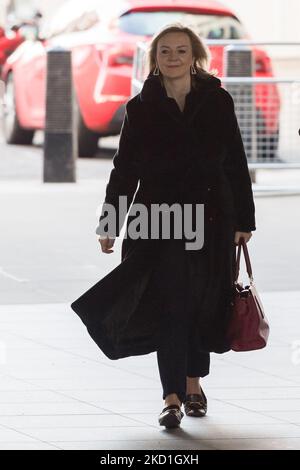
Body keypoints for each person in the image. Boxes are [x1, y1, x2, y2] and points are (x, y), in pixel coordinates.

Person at [82, 23, 256, 429]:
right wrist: (110, 223)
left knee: (202, 303)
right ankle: (173, 395)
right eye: (165, 51)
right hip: (156, 221)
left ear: (194, 55)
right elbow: (124, 169)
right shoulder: (140, 107)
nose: (173, 57)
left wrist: (244, 221)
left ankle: (194, 383)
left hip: (210, 218)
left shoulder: (217, 100)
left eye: (181, 50)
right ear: (155, 58)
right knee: (171, 304)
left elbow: (235, 162)